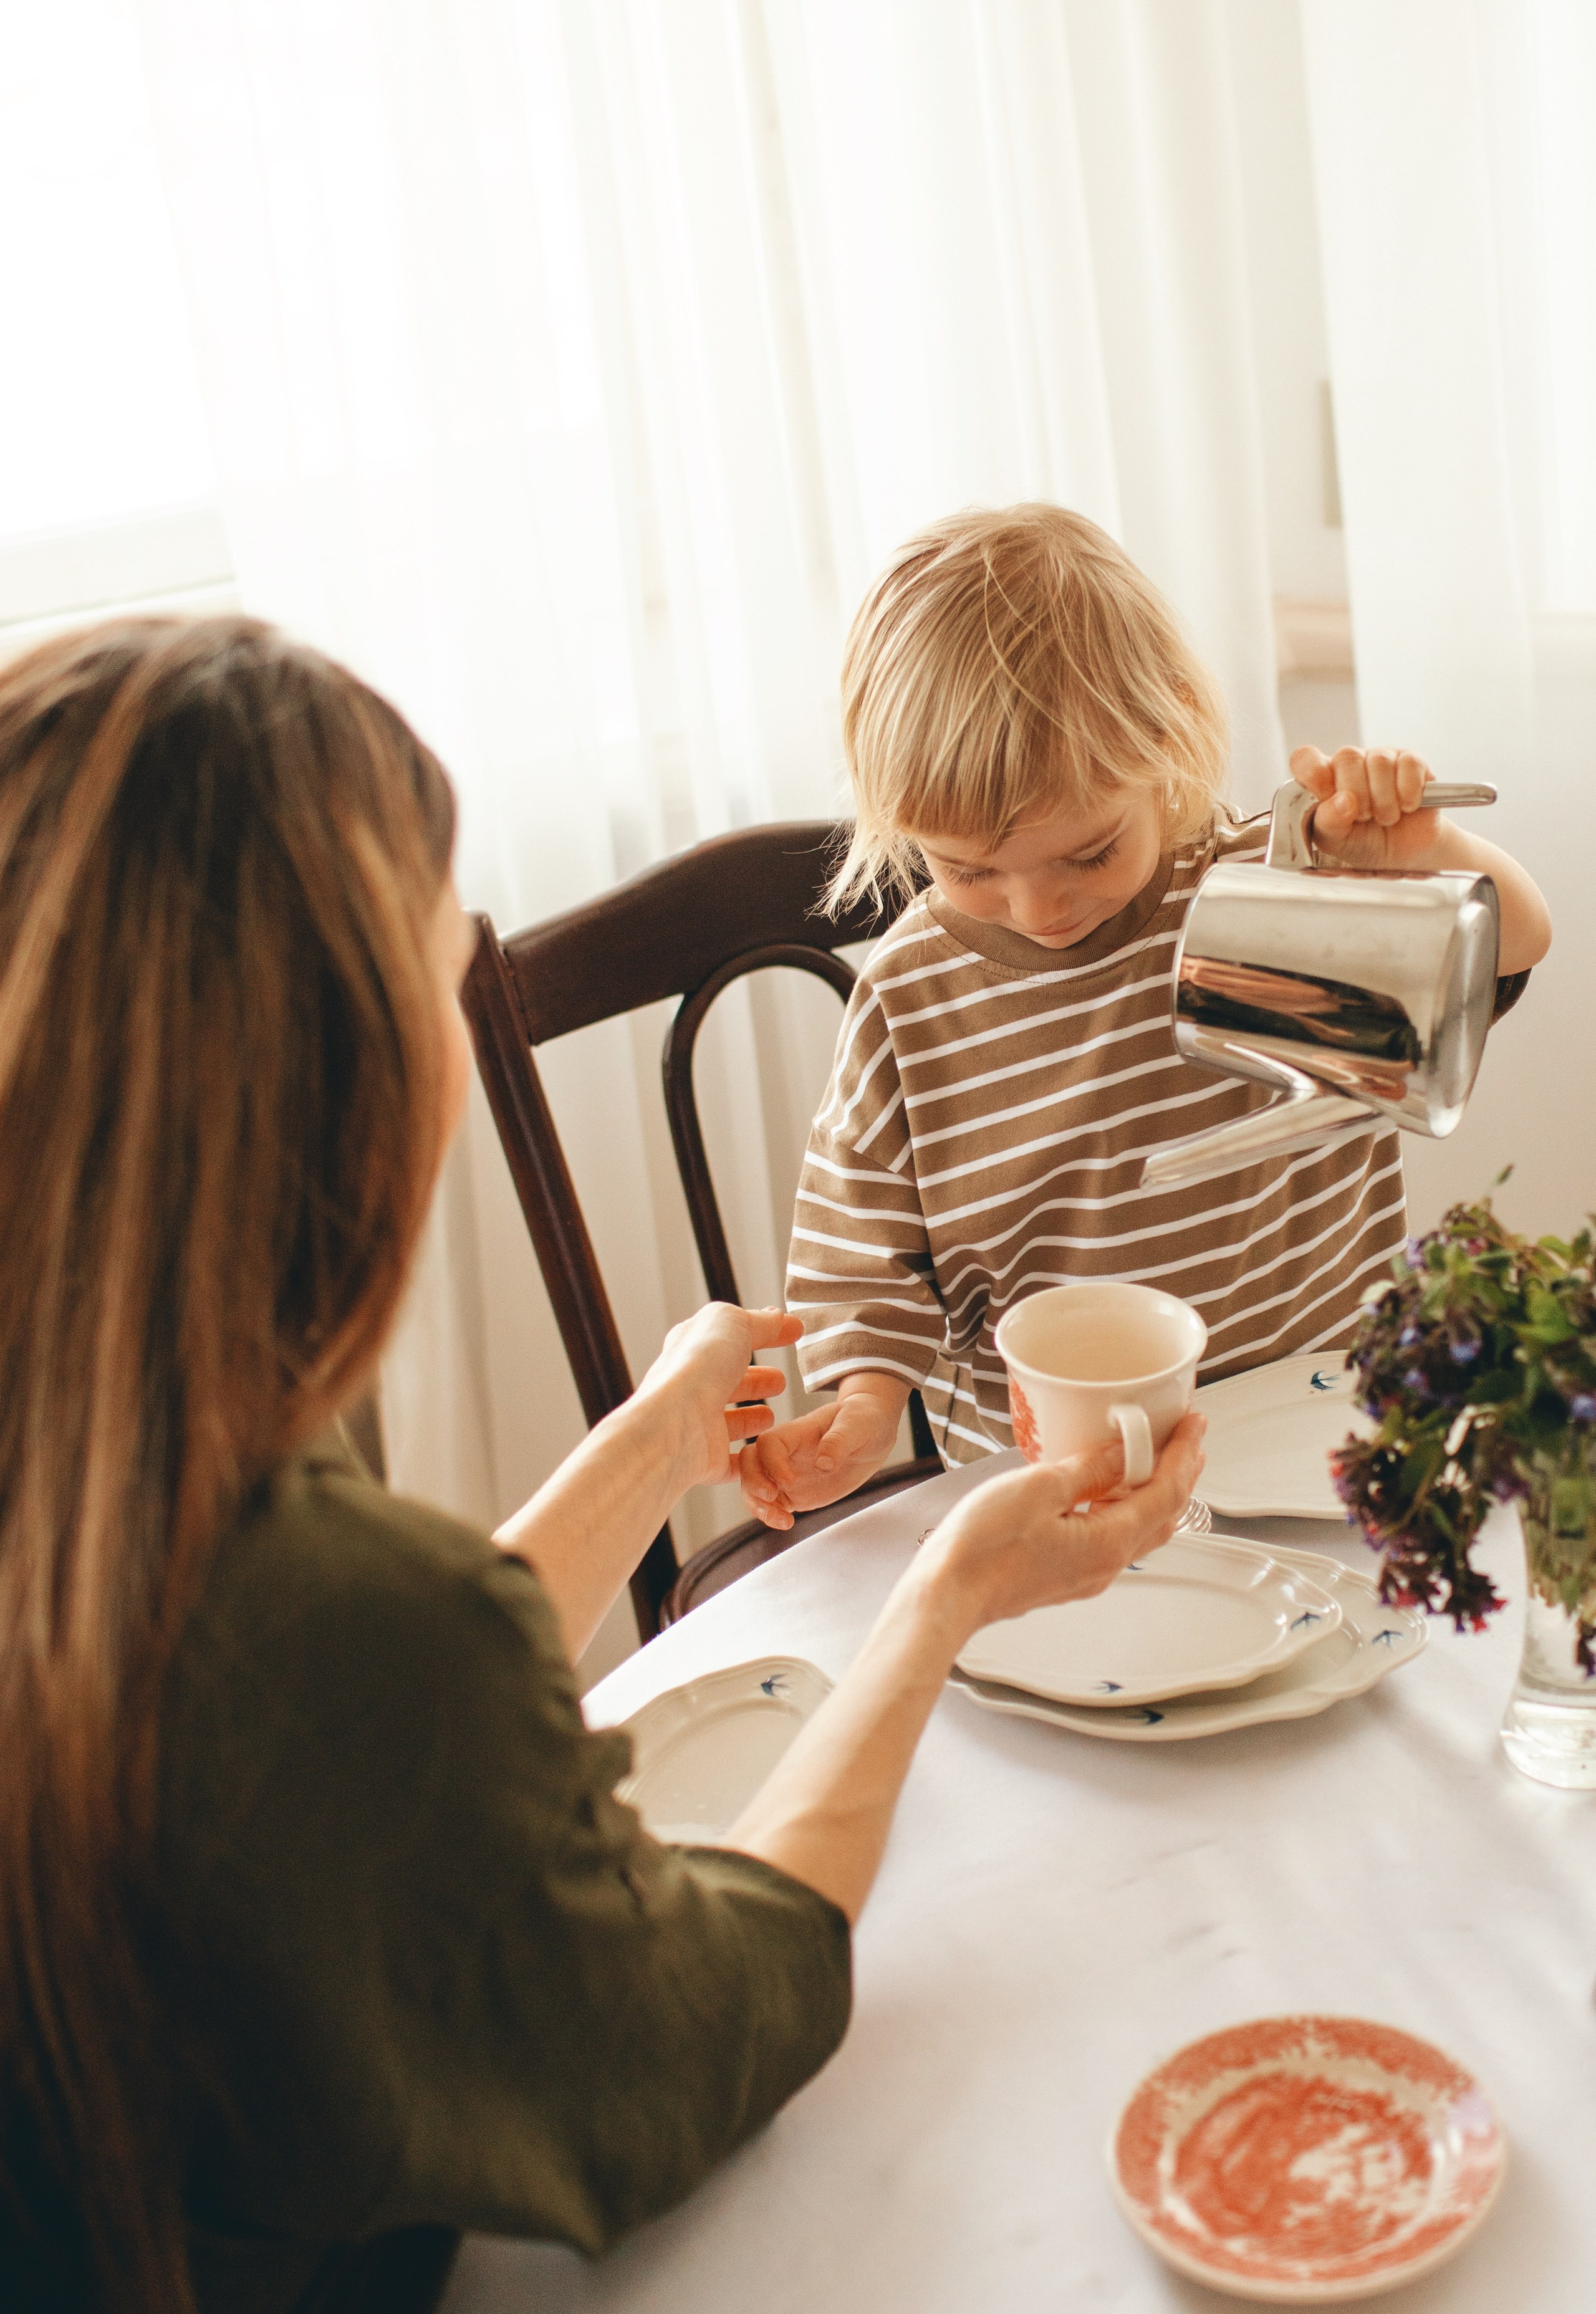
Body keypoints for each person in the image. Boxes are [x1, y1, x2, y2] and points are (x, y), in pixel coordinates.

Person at [0, 616, 1204, 2314]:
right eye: (437, 978)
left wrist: (654, 1442)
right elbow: (706, 2033)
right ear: (337, 1086)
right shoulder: (334, 1626)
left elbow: (392, 1674)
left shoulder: (119, 1488)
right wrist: (940, 1601)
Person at [738, 504, 1552, 1531]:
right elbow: (862, 1245)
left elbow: (1521, 941)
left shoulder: (1273, 890)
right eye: (969, 870)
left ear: (1165, 734)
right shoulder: (912, 998)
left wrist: (1428, 857)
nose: (1041, 907)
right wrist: (863, 1411)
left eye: (1087, 853)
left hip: (1326, 1451)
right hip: (1060, 1499)